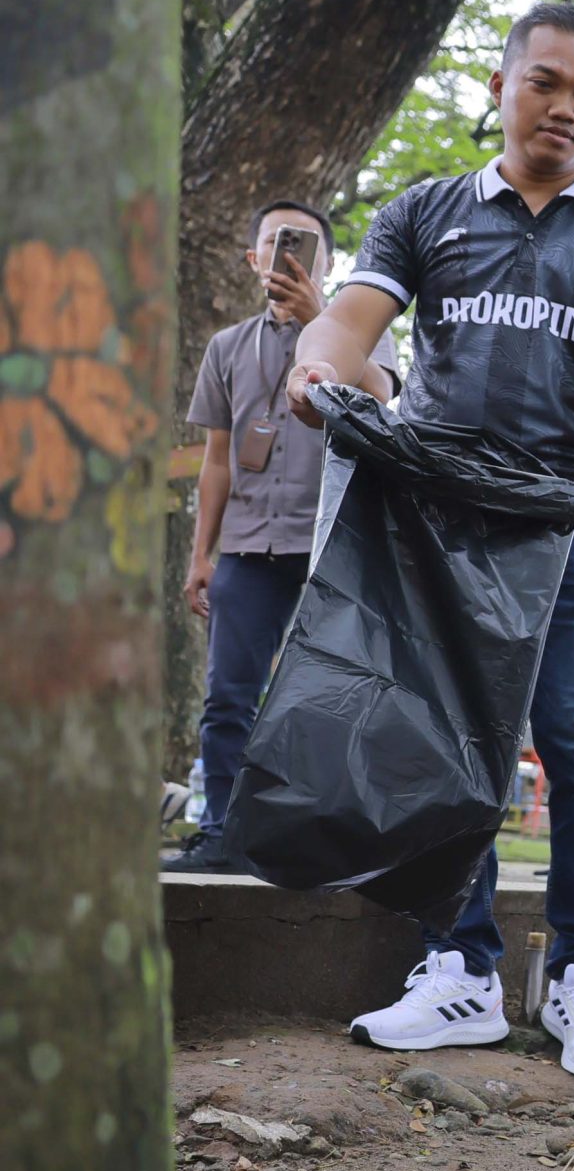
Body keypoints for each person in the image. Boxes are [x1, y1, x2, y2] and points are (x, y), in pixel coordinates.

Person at [290, 1, 574, 1081]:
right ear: (501, 86)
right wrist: (315, 363)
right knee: (438, 740)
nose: (565, 108)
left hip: (571, 529)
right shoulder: (428, 211)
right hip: (433, 531)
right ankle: (459, 970)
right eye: (545, 83)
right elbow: (348, 323)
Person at [165, 200, 399, 874]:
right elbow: (216, 457)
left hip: (332, 543)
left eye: (304, 246)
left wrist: (317, 321)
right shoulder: (226, 347)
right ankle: (223, 834)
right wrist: (200, 554)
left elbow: (385, 401)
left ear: (328, 262)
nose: (287, 255)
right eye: (274, 243)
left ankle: (327, 840)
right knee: (228, 698)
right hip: (244, 545)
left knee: (334, 696)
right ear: (252, 259)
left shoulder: (358, 330)